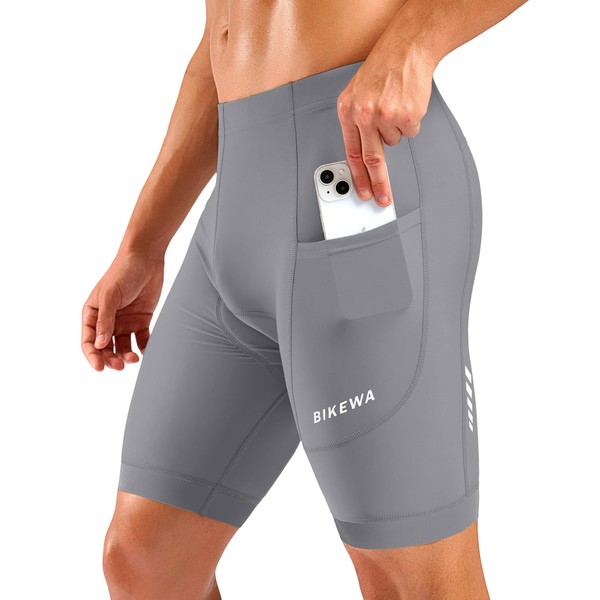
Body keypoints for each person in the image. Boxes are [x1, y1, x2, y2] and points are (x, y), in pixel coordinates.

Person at [82, 0, 527, 597]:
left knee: (409, 578)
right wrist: (143, 244)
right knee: (145, 560)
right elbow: (219, 42)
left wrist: (416, 43)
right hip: (235, 218)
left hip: (363, 186)